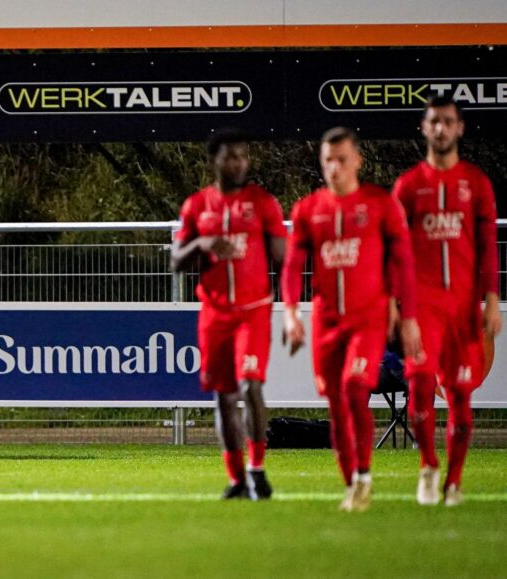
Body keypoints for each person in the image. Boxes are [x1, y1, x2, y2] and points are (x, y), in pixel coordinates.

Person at [281, 127, 420, 512]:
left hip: (368, 317)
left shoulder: (380, 205)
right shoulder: (308, 210)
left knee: (356, 389)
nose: (335, 168)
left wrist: (405, 313)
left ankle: (362, 476)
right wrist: (291, 312)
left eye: (342, 159)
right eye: (328, 160)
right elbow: (292, 267)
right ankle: (352, 481)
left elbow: (403, 262)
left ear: (357, 159)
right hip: (327, 322)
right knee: (336, 403)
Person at [393, 95, 501, 506]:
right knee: (420, 387)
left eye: (448, 121)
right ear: (424, 128)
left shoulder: (475, 183)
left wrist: (491, 300)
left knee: (459, 393)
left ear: (460, 129)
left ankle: (454, 481)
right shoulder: (408, 186)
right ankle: (428, 466)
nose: (441, 128)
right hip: (422, 309)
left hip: (462, 308)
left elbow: (489, 246)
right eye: (434, 121)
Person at [171, 130, 286, 499]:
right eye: (230, 156)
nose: (238, 162)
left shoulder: (263, 203)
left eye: (243, 156)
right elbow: (175, 262)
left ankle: (257, 470)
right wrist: (202, 244)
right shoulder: (196, 206)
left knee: (251, 384)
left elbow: (283, 256)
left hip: (252, 311)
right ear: (215, 160)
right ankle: (236, 478)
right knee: (223, 395)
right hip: (215, 313)